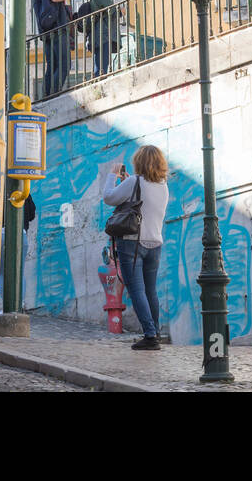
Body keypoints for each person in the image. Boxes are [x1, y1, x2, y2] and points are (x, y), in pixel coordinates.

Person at [102, 145, 169, 350]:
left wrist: (112, 175)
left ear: (139, 161)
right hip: (155, 244)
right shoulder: (163, 185)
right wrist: (127, 183)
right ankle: (155, 331)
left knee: (137, 290)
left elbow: (109, 197)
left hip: (132, 242)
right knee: (150, 291)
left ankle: (150, 335)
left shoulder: (134, 181)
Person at [31, 0, 73, 98]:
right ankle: (53, 95)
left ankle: (46, 95)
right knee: (64, 64)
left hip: (47, 29)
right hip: (57, 28)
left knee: (52, 65)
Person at [74, 0, 119, 78]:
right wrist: (121, 10)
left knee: (98, 64)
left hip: (95, 36)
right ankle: (98, 85)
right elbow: (113, 11)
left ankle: (96, 82)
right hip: (103, 34)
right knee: (102, 66)